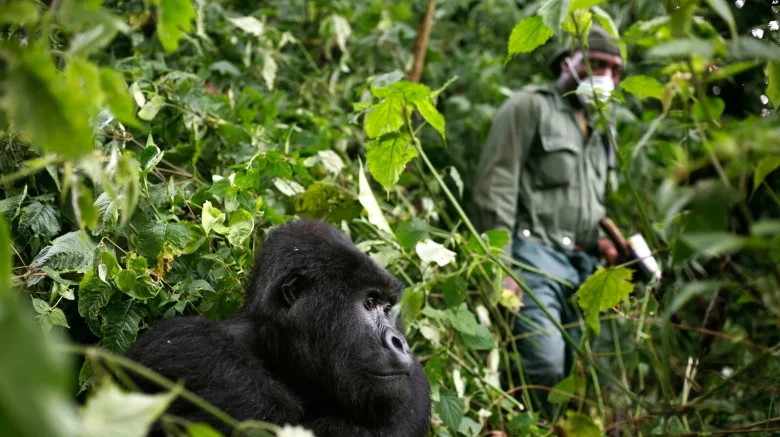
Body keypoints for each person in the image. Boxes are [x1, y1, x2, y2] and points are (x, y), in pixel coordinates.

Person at [471, 26, 623, 420]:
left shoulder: (602, 127)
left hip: (581, 268)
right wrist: (499, 267)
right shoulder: (529, 107)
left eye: (615, 69)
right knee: (545, 364)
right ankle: (515, 426)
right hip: (532, 258)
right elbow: (495, 188)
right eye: (597, 63)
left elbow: (587, 199)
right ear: (567, 63)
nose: (605, 76)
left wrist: (603, 241)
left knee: (574, 376)